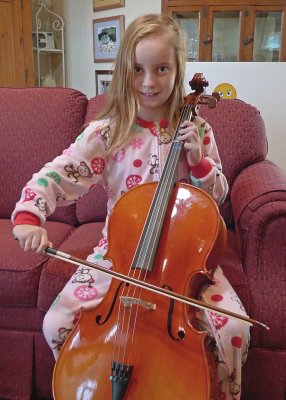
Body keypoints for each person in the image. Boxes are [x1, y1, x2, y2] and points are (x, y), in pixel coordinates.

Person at [12, 13, 249, 400]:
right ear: (124, 71)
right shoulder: (109, 131)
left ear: (177, 70)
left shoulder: (198, 130)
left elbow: (218, 195)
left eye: (161, 69)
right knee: (56, 322)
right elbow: (59, 172)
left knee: (234, 331)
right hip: (120, 257)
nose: (149, 81)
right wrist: (28, 215)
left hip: (185, 259)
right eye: (137, 69)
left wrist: (200, 162)